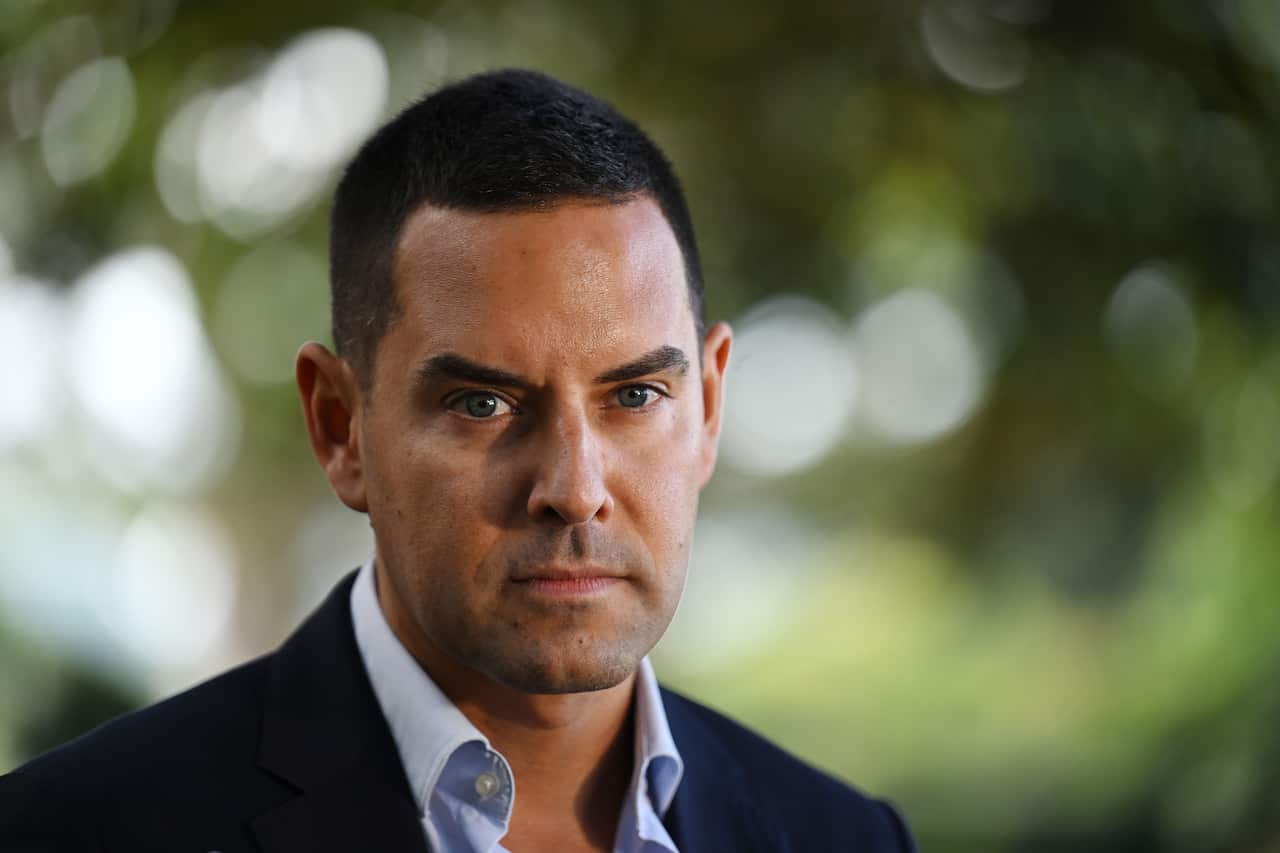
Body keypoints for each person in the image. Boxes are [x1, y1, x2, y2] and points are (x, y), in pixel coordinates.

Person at [0, 69, 916, 853]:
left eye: (636, 395)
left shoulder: (847, 838)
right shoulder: (69, 830)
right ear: (340, 428)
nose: (574, 489)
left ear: (709, 406)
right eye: (483, 404)